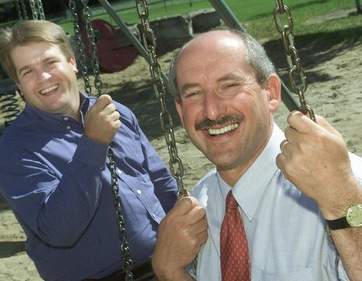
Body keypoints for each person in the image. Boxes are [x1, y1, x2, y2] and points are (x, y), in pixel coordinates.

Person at [151, 29, 362, 281]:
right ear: (180, 110)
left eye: (228, 85)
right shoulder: (198, 205)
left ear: (271, 92)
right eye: (194, 93)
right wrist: (170, 272)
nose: (212, 111)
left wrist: (342, 203)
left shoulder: (342, 187)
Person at [0, 20, 178, 281]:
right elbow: (59, 230)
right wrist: (93, 144)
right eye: (27, 72)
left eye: (49, 63)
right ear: (18, 85)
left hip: (168, 260)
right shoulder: (16, 152)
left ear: (71, 62)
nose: (43, 77)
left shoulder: (117, 113)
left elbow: (160, 183)